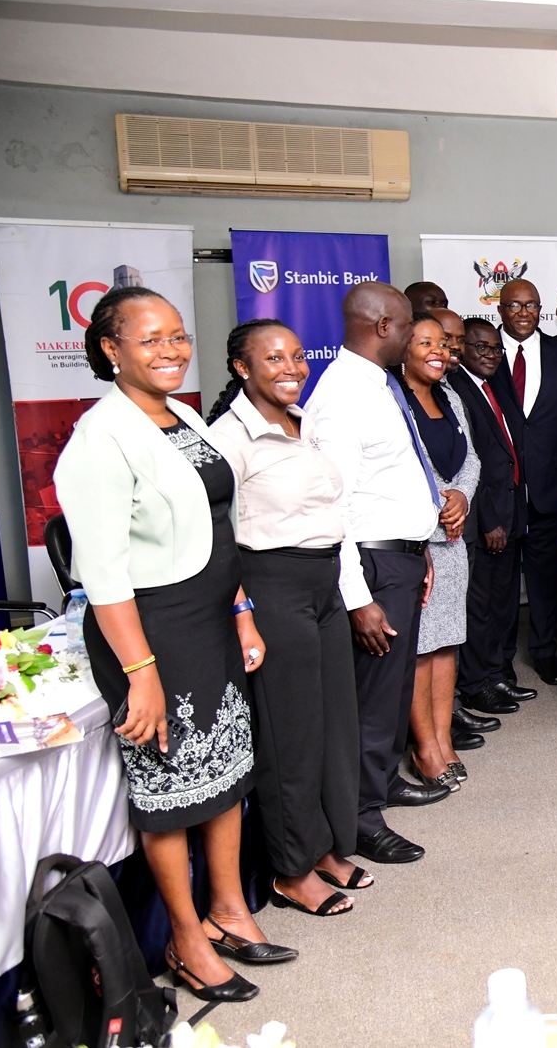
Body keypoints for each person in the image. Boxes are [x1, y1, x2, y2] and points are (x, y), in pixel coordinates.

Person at [57, 287, 284, 1001]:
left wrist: (242, 609)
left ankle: (227, 908)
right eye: (150, 340)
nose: (170, 351)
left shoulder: (182, 416)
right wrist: (141, 674)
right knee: (170, 790)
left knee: (224, 773)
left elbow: (218, 525)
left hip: (211, 617)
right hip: (151, 632)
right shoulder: (99, 436)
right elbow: (103, 573)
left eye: (178, 337)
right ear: (110, 349)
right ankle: (185, 938)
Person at [207, 319, 364, 919]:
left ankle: (325, 847)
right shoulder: (229, 438)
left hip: (322, 581)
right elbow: (218, 541)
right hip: (271, 587)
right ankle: (291, 870)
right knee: (289, 734)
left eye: (297, 357)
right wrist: (243, 612)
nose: (292, 369)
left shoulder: (307, 424)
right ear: (243, 369)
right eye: (273, 359)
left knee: (332, 725)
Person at [303, 283, 444, 864]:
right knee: (371, 695)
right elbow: (331, 507)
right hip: (371, 567)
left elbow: (391, 480)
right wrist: (358, 598)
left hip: (399, 556)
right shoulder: (342, 397)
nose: (414, 335)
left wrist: (422, 547)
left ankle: (381, 781)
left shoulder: (377, 385)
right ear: (384, 325)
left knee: (391, 691)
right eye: (409, 324)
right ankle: (359, 818)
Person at [491, 278, 557, 687]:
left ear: (541, 309)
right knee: (501, 583)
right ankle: (499, 660)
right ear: (501, 310)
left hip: (551, 489)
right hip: (500, 492)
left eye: (531, 306)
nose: (524, 313)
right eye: (515, 306)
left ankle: (547, 652)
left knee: (547, 580)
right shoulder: (483, 353)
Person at [399, 313, 479, 794]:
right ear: (402, 348)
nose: (438, 351)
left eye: (443, 344)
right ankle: (424, 745)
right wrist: (439, 503)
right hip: (416, 537)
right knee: (419, 647)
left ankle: (445, 739)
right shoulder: (393, 399)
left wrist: (462, 497)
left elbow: (469, 456)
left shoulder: (449, 395)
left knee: (446, 640)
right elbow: (400, 466)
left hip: (452, 537)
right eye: (425, 342)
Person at [447, 317, 529, 724]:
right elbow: (471, 464)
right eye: (481, 348)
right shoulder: (458, 390)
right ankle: (477, 684)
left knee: (503, 603)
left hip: (511, 511)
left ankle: (498, 674)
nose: (491, 355)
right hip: (488, 518)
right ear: (461, 349)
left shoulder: (492, 385)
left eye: (496, 349)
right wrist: (490, 520)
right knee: (480, 606)